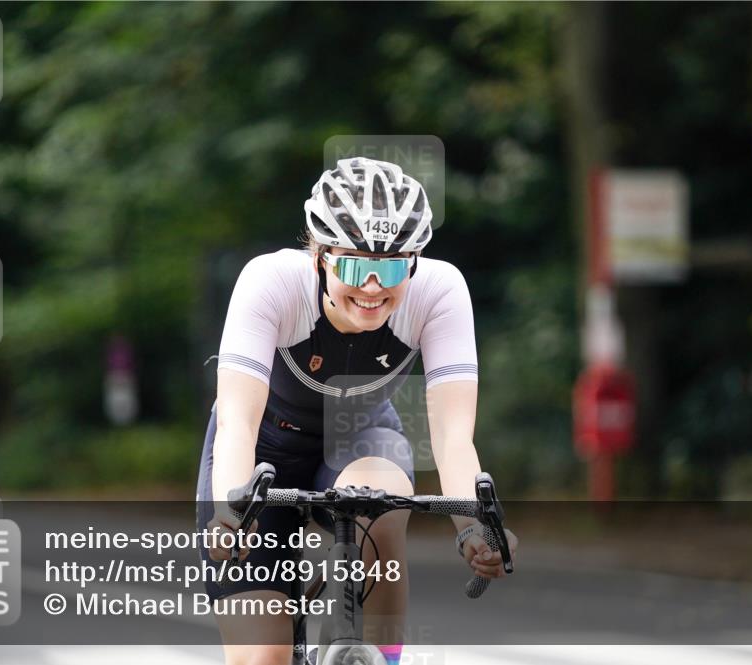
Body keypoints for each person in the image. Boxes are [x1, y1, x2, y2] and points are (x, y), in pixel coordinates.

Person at [197, 156, 518, 665]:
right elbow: (238, 420)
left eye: (391, 267)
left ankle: (380, 657)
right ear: (320, 255)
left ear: (413, 261)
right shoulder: (270, 282)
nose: (373, 288)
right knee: (262, 659)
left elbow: (453, 438)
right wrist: (229, 515)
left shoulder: (440, 290)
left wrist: (472, 530)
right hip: (262, 445)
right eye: (354, 265)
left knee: (382, 508)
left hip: (361, 437)